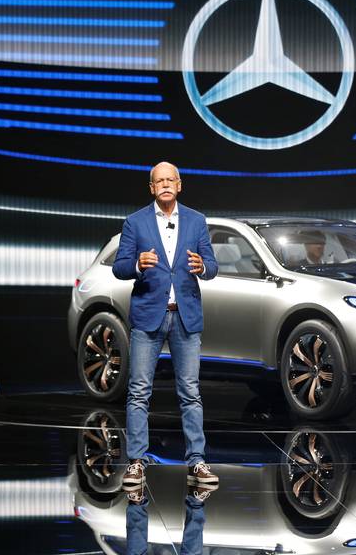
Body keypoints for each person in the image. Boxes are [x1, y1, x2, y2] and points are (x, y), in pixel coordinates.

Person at [112, 161, 219, 492]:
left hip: (185, 315)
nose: (165, 184)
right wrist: (137, 265)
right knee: (139, 391)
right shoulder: (135, 222)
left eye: (170, 179)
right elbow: (119, 268)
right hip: (148, 315)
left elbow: (213, 266)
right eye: (159, 181)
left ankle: (197, 461)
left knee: (190, 391)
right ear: (152, 188)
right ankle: (135, 462)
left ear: (180, 185)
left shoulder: (197, 221)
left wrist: (203, 267)